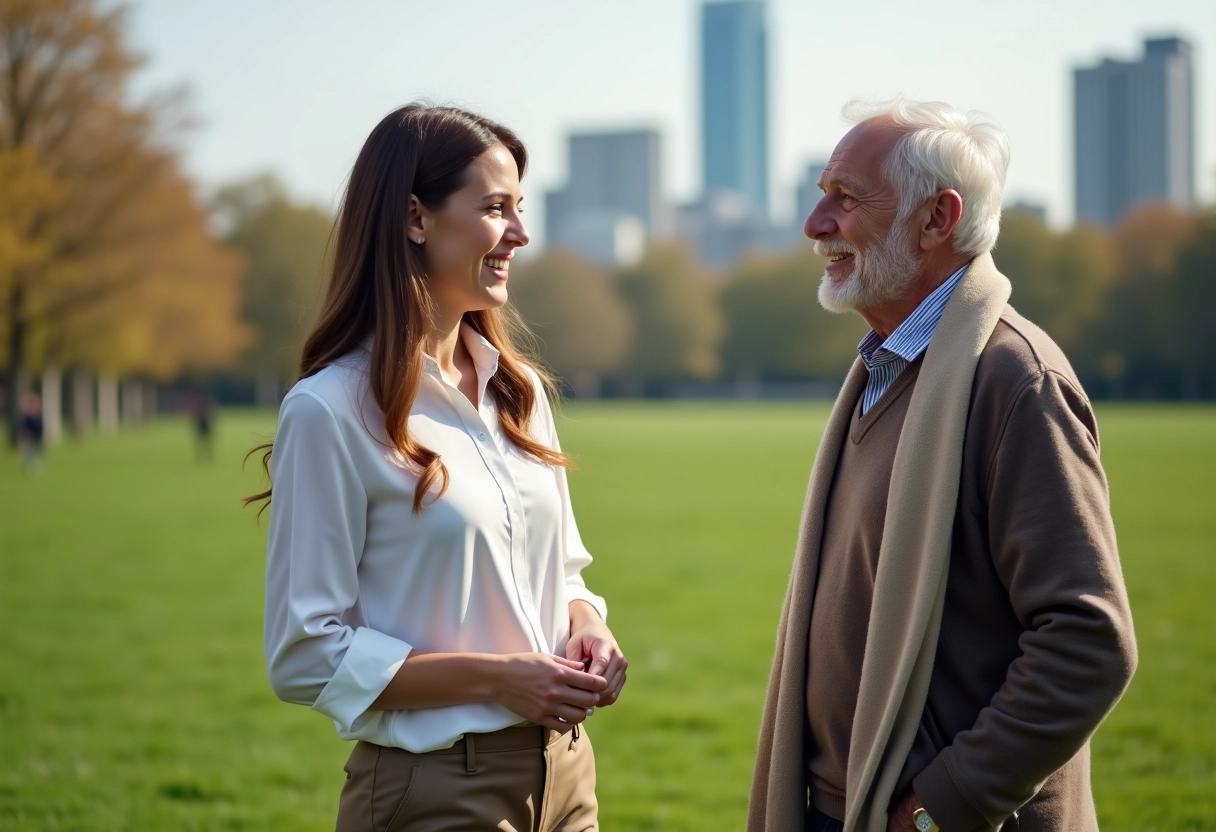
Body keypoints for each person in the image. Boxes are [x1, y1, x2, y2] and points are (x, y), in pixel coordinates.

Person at [748, 99, 1137, 832]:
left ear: (936, 219)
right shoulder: (887, 366)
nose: (814, 223)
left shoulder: (1014, 381)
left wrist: (942, 805)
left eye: (845, 198)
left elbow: (1088, 642)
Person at [250, 104, 626, 832]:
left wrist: (589, 627)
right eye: (494, 208)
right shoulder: (328, 410)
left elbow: (564, 574)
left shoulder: (520, 393)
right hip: (436, 792)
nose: (520, 233)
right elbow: (305, 655)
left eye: (519, 208)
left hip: (568, 777)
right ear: (415, 219)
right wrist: (497, 679)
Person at [18, 391, 44, 477]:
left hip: (37, 438)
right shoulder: (27, 417)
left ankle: (34, 469)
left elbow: (41, 428)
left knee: (35, 454)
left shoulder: (38, 416)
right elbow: (24, 428)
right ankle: (31, 469)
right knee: (29, 454)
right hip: (29, 439)